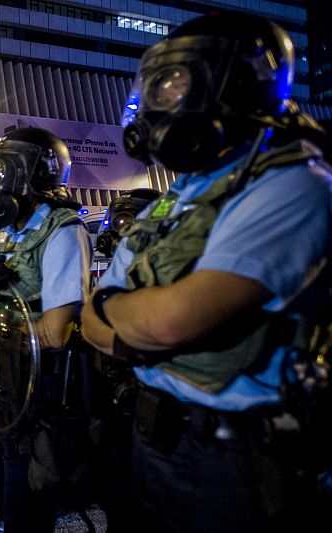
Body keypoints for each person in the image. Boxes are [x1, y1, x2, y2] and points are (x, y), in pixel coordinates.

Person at [81, 13, 332, 533]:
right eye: (155, 87)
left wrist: (118, 314)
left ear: (238, 83)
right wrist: (123, 318)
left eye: (174, 83)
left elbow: (172, 320)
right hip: (153, 438)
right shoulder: (182, 195)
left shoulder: (296, 185)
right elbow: (89, 321)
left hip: (235, 458)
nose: (156, 103)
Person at [0, 127, 93, 533]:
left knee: (24, 511)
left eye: (2, 171)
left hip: (32, 401)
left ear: (35, 175)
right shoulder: (1, 239)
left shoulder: (62, 231)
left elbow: (58, 332)